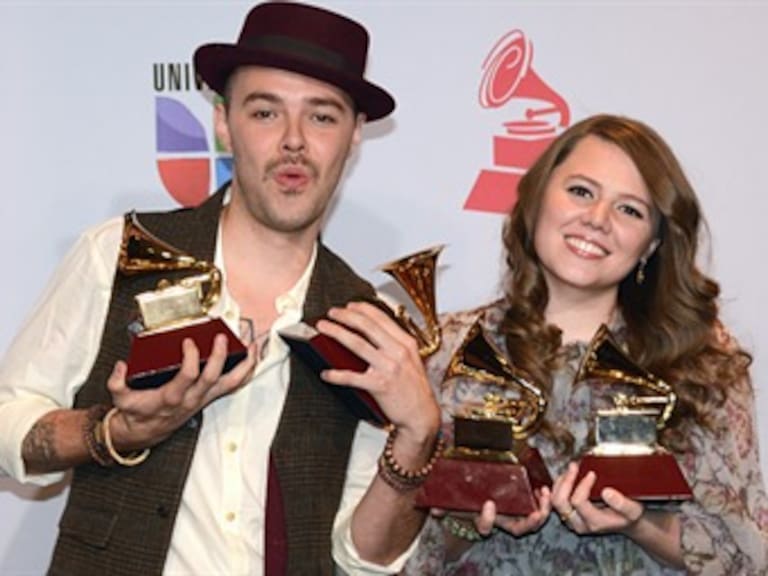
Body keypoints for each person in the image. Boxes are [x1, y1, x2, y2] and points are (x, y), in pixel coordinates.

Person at [0, 3, 442, 575]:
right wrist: (113, 431)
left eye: (323, 117)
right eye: (265, 112)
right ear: (223, 122)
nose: (293, 141)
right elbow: (9, 421)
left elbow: (363, 559)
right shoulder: (121, 253)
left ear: (355, 135)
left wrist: (417, 435)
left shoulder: (369, 323)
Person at [403, 114, 768, 575]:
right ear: (537, 200)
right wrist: (464, 524)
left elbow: (748, 557)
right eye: (581, 191)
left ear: (652, 244)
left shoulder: (703, 362)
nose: (597, 220)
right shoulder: (442, 352)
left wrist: (643, 526)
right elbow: (390, 552)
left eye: (630, 209)